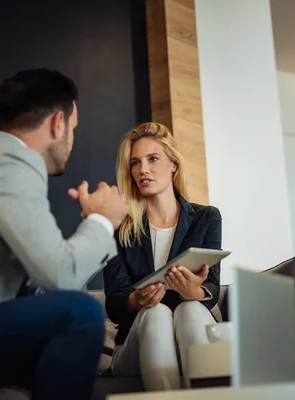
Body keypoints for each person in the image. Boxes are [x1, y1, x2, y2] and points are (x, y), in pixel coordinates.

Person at [0, 69, 129, 400]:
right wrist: (103, 221)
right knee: (81, 313)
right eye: (73, 129)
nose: (71, 139)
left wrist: (94, 224)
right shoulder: (10, 163)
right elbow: (59, 274)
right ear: (58, 123)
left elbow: (46, 282)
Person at [103, 122, 222, 391]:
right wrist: (136, 300)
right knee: (155, 313)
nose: (142, 169)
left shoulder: (206, 217)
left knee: (191, 308)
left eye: (152, 159)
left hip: (189, 327)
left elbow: (212, 288)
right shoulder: (120, 228)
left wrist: (196, 291)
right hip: (135, 341)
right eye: (135, 163)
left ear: (173, 165)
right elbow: (114, 306)